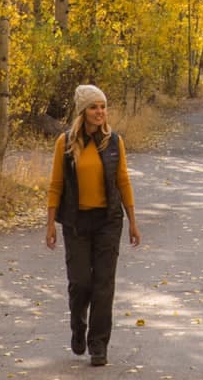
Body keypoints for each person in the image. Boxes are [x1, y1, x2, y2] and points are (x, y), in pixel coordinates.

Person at [46, 84, 141, 367]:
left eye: (103, 106)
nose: (100, 112)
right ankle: (78, 325)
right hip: (76, 222)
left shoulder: (114, 141)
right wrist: (50, 223)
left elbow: (123, 181)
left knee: (103, 285)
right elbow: (55, 184)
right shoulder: (65, 143)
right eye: (93, 107)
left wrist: (133, 221)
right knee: (80, 283)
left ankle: (98, 344)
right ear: (82, 111)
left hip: (108, 222)